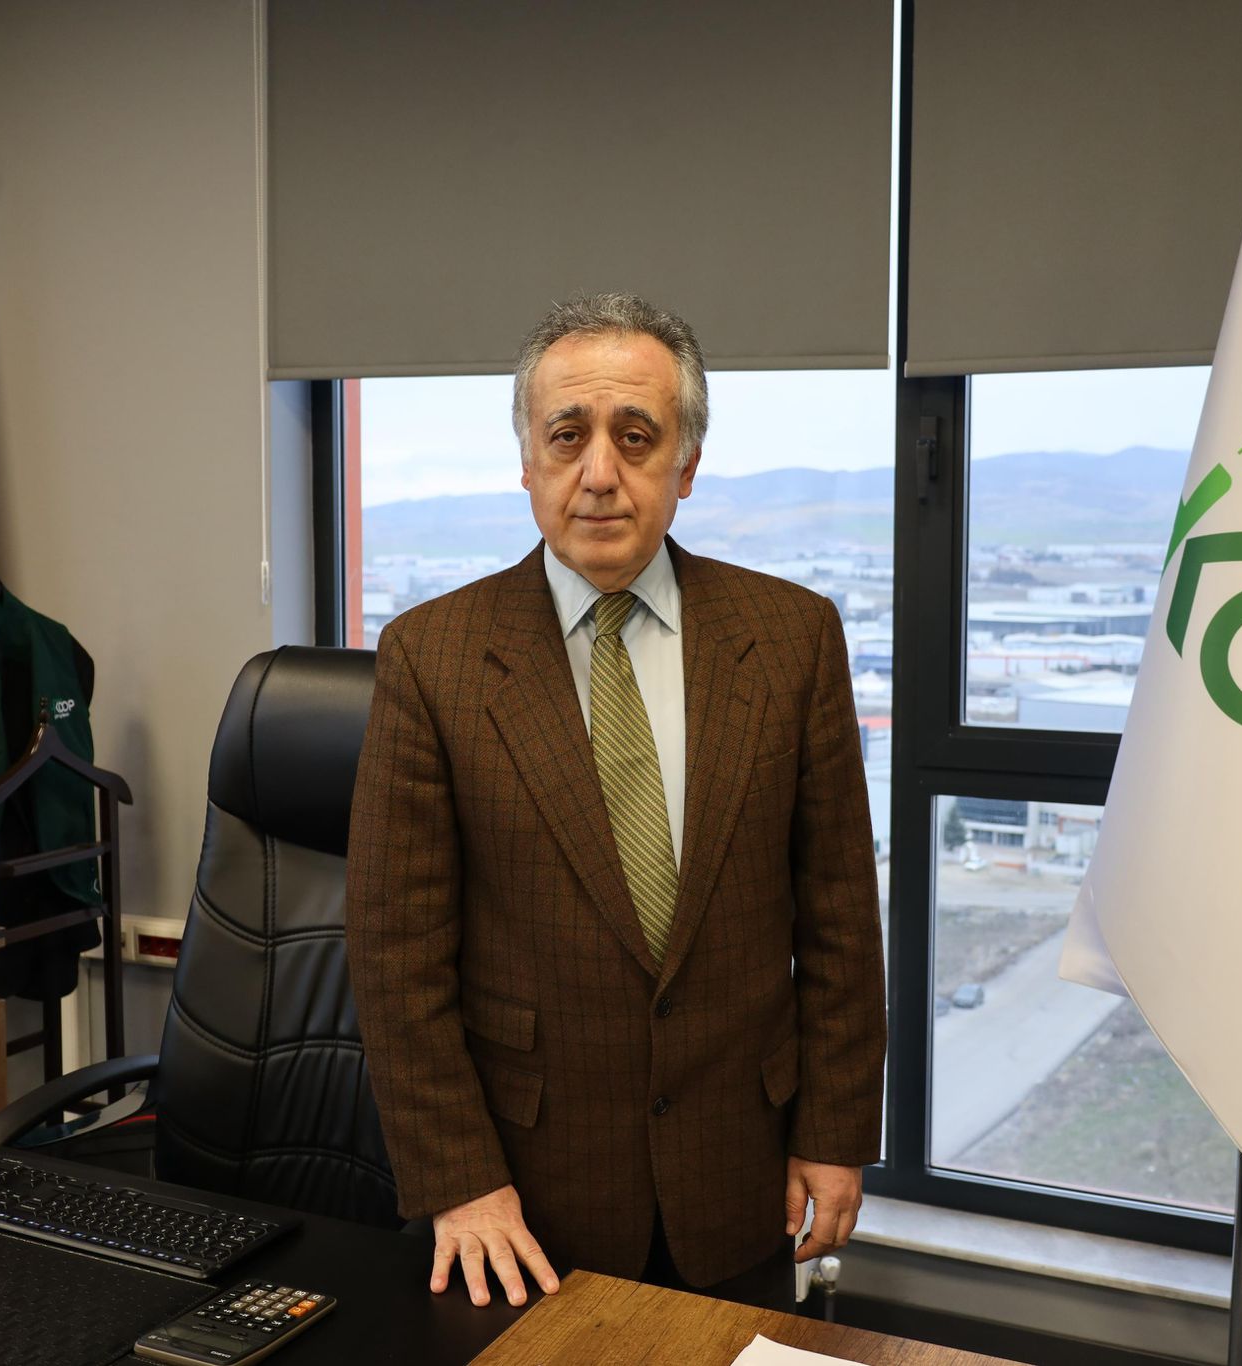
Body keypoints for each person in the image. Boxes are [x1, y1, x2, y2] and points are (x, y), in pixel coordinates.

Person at [346, 292, 886, 1314]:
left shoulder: (793, 637)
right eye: (567, 436)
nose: (599, 472)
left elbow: (839, 918)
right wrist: (460, 1177)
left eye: (635, 437)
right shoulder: (432, 657)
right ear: (526, 461)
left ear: (685, 465)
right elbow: (395, 956)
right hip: (520, 1202)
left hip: (742, 1177)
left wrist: (834, 1130)